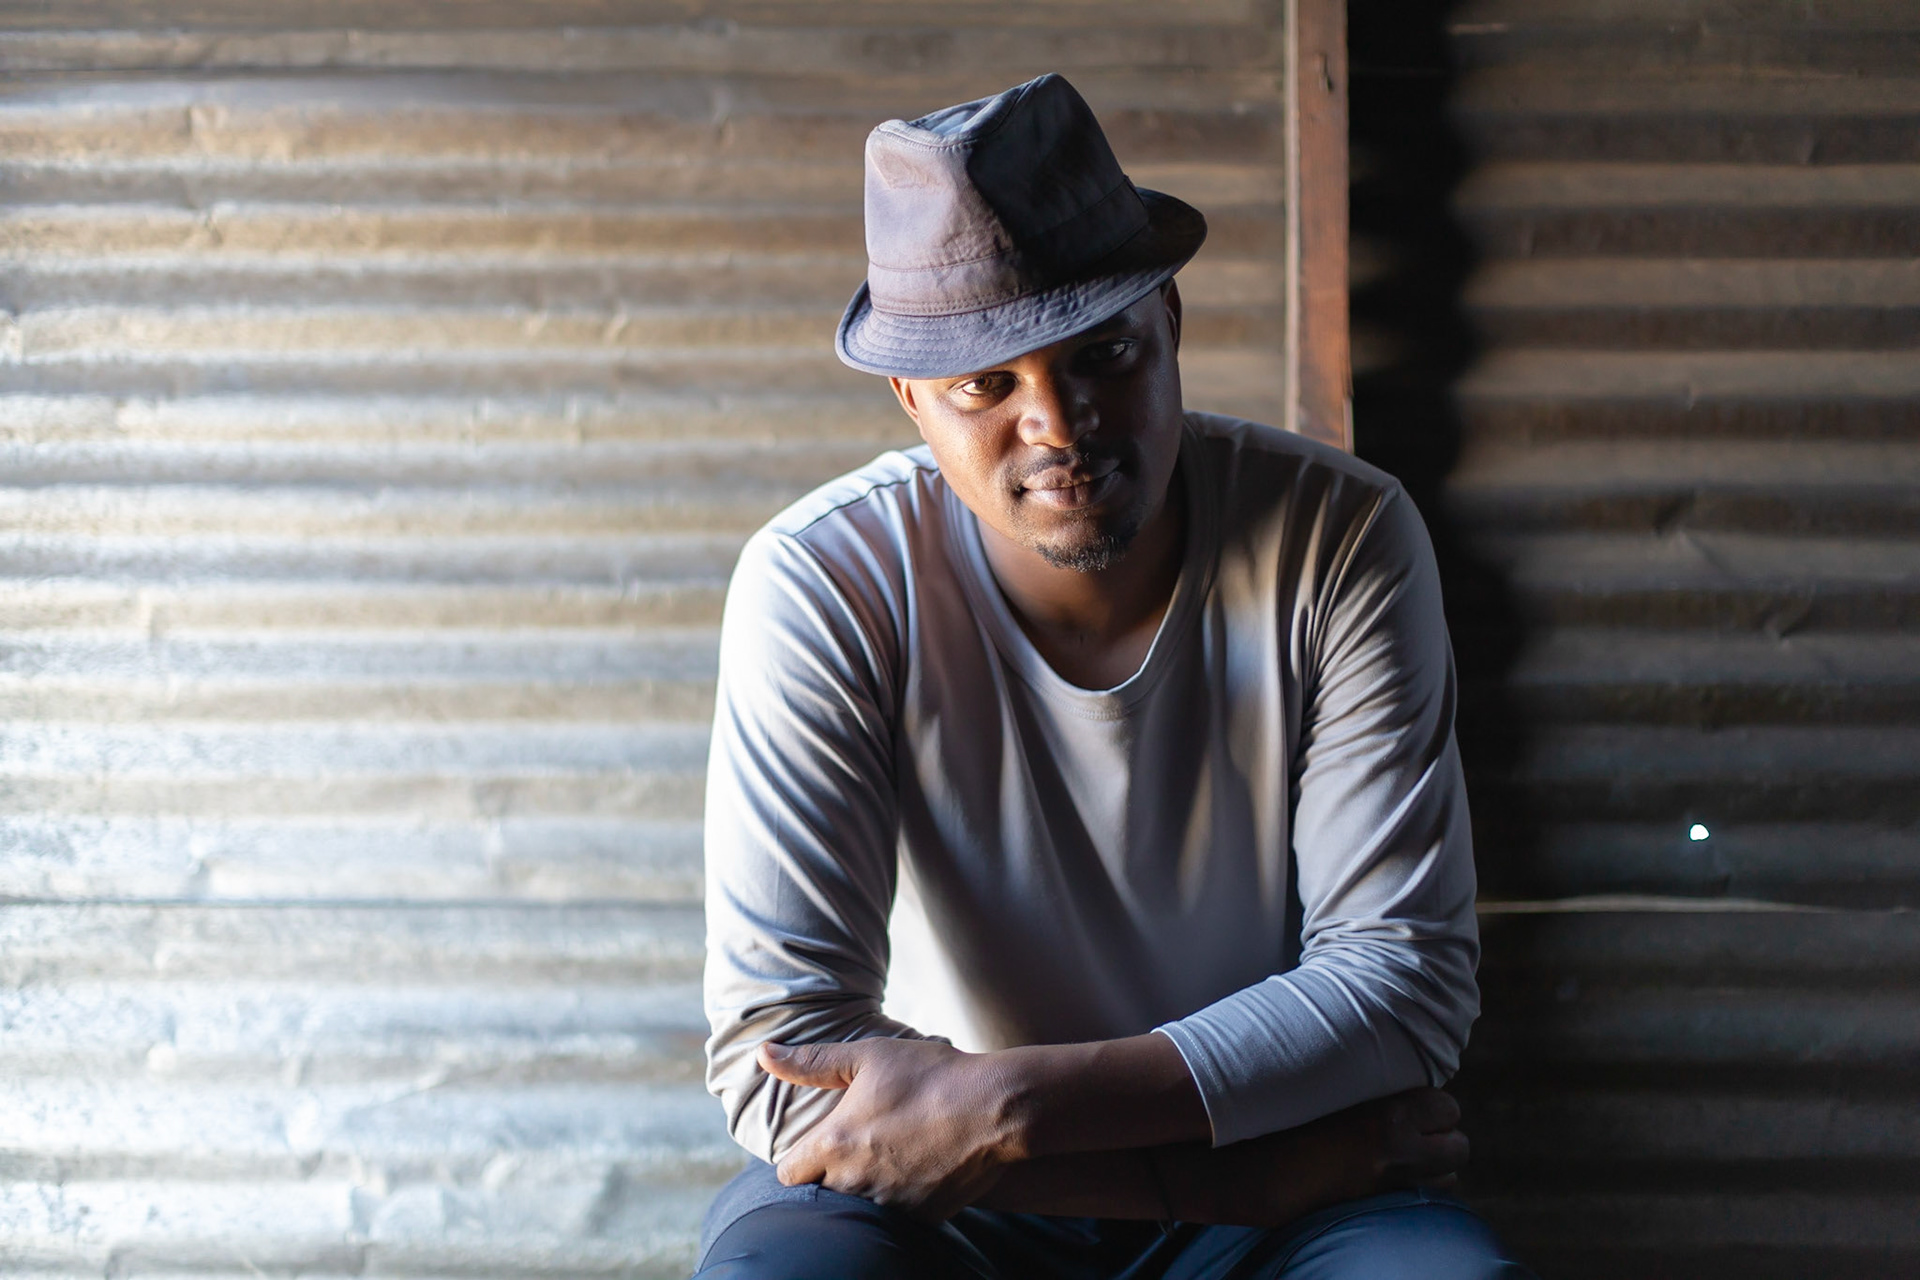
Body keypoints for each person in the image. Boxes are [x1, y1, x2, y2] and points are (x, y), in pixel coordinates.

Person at [693, 73, 1531, 1279]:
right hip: (981, 1185)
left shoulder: (1338, 535)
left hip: (1263, 1172)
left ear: (1170, 320)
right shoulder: (825, 580)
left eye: (1104, 352)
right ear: (912, 398)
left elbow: (1402, 984)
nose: (1058, 421)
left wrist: (1012, 1108)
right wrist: (1209, 1180)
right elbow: (781, 1072)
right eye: (986, 383)